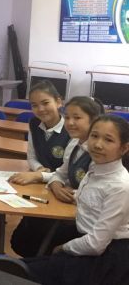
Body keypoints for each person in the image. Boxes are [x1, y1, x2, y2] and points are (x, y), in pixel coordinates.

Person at [24, 115, 129, 285]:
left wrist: (64, 247)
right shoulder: (95, 168)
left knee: (19, 270)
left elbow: (96, 244)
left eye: (108, 140)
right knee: (27, 248)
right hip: (86, 241)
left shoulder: (120, 186)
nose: (98, 144)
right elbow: (94, 199)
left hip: (105, 257)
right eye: (94, 136)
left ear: (124, 148)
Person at [11, 96, 103, 257]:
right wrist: (55, 184)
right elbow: (60, 173)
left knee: (37, 237)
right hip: (69, 206)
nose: (70, 123)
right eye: (67, 117)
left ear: (94, 120)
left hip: (87, 219)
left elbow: (95, 193)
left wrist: (71, 192)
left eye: (77, 118)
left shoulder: (99, 153)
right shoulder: (74, 144)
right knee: (24, 233)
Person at [9, 80, 70, 185]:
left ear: (58, 102)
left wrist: (38, 175)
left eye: (45, 103)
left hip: (62, 185)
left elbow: (68, 172)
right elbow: (31, 157)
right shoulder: (34, 123)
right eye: (34, 105)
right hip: (41, 183)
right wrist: (40, 169)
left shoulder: (70, 129)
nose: (40, 109)